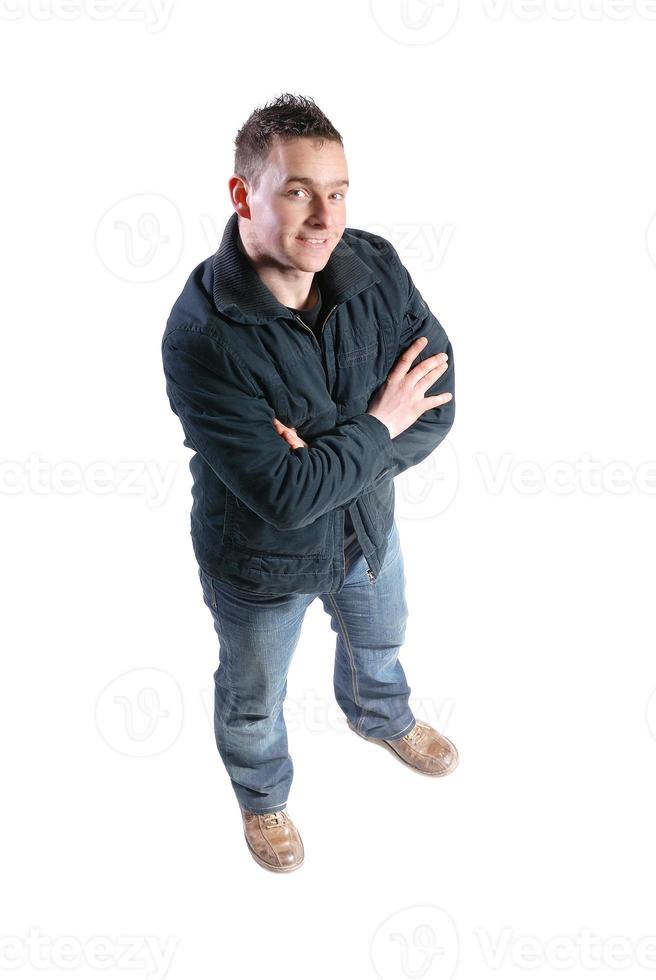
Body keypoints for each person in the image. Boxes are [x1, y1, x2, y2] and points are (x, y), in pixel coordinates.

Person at [161, 93, 458, 873]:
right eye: (297, 190)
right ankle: (262, 798)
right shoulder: (201, 334)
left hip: (367, 527)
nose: (325, 216)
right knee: (254, 696)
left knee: (383, 639)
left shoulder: (374, 266)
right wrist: (372, 425)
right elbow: (285, 497)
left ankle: (379, 715)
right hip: (260, 559)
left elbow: (437, 401)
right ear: (242, 194)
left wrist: (334, 454)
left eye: (339, 191)